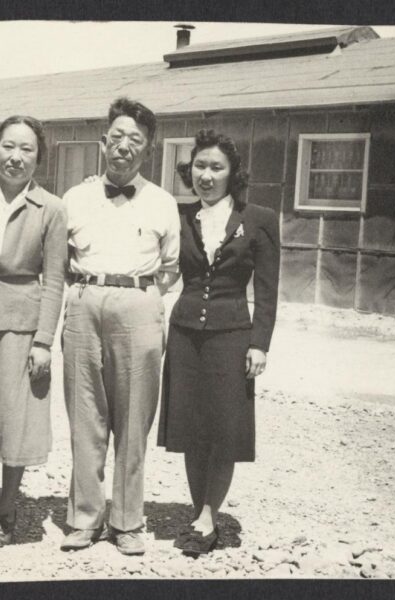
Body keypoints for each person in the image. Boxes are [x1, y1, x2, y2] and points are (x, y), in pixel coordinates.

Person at [60, 97, 180, 556]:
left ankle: (128, 521)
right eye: (117, 137)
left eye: (136, 140)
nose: (124, 147)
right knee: (85, 415)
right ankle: (84, 518)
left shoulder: (164, 203)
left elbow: (170, 266)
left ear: (147, 151)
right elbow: (58, 260)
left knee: (133, 421)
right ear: (102, 142)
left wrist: (140, 300)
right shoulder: (75, 197)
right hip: (84, 303)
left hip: (138, 304)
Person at [157, 128, 280, 555]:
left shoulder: (259, 219)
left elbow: (267, 290)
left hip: (232, 336)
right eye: (200, 166)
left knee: (224, 429)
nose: (206, 175)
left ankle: (209, 516)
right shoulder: (178, 215)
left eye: (216, 167)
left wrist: (259, 343)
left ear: (233, 173)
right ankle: (199, 512)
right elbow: (160, 269)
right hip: (185, 333)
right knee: (191, 428)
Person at [0, 115, 67, 548]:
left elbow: (55, 279)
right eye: (8, 146)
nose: (15, 157)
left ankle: (7, 507)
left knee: (16, 415)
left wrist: (43, 341)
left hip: (23, 321)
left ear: (38, 157)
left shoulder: (52, 208)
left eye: (26, 149)